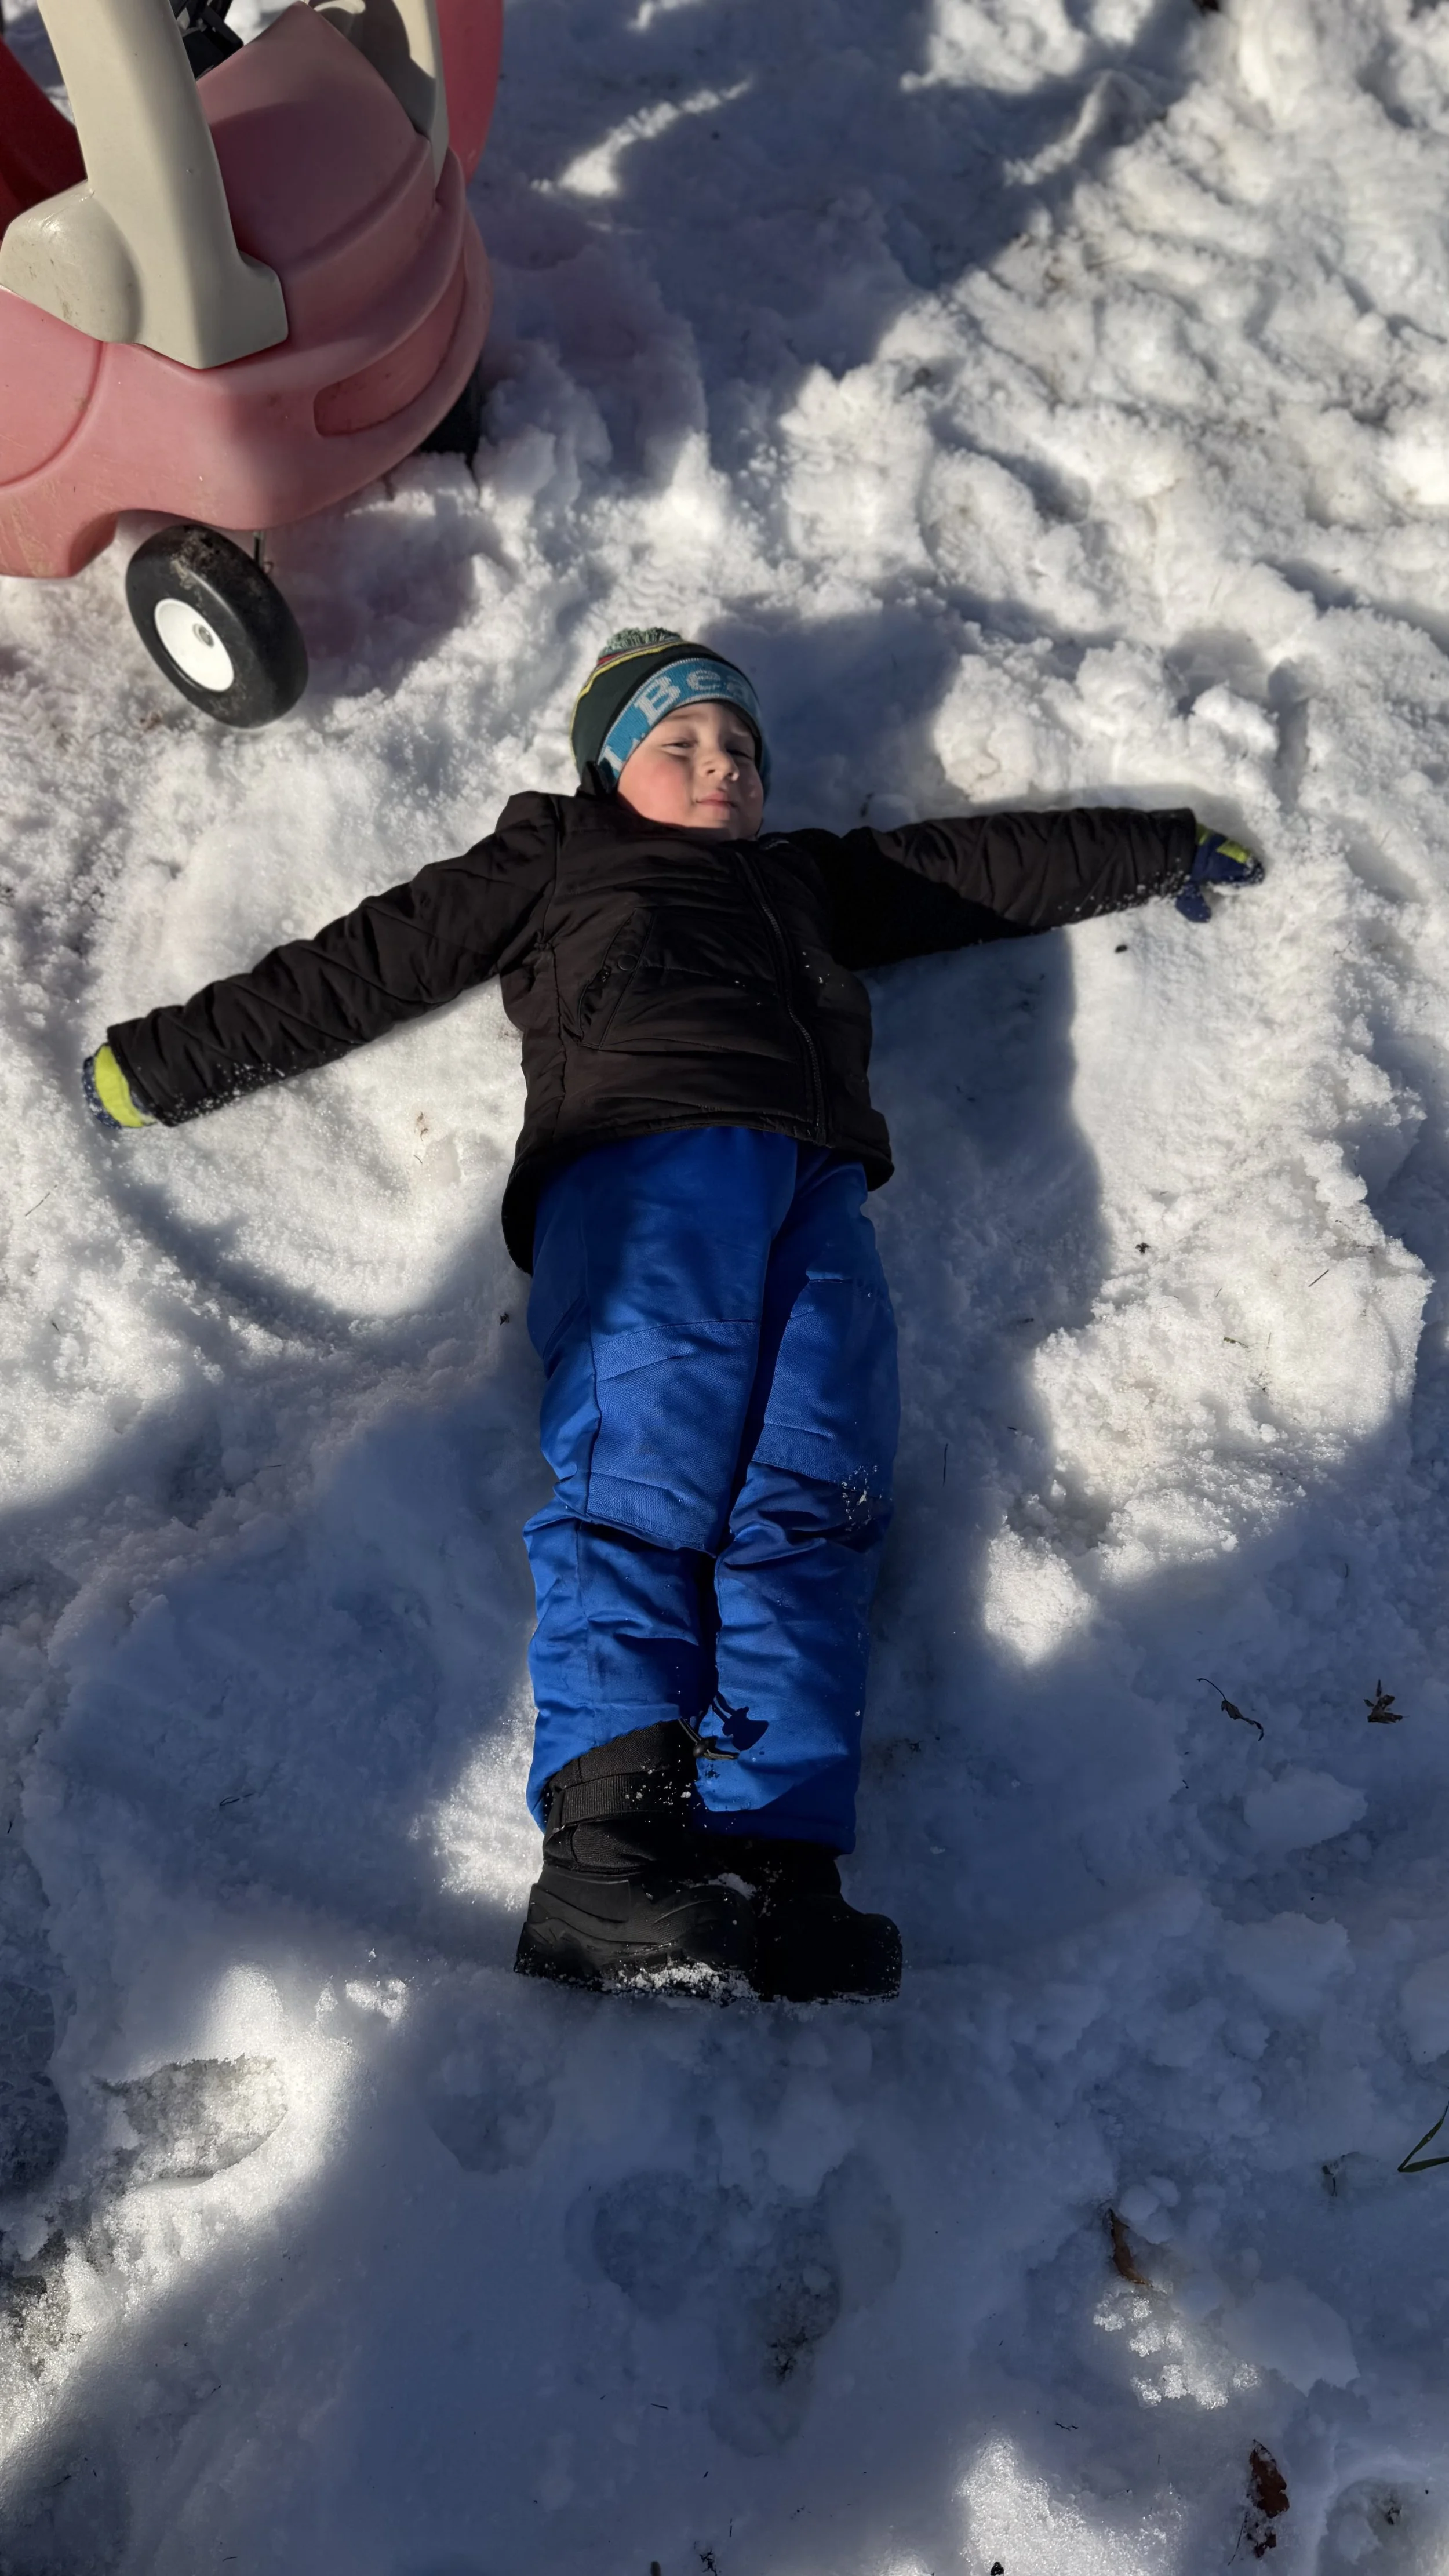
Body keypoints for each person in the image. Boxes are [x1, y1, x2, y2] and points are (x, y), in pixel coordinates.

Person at [83, 626, 1264, 2002]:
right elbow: (365, 962)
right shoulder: (558, 856)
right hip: (646, 1168)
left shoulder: (803, 878)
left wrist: (1156, 846)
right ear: (606, 770)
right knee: (646, 1476)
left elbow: (970, 870)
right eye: (680, 741)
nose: (721, 766)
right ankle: (605, 1860)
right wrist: (161, 1064)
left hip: (818, 1193)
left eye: (740, 746)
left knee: (816, 1498)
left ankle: (775, 1863)